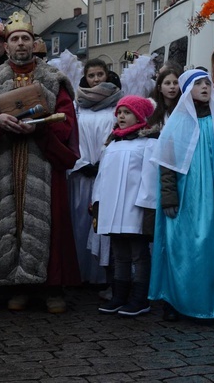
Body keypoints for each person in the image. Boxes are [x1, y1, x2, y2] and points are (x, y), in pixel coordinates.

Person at [0, 11, 81, 313]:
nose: (20, 44)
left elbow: (66, 120)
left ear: (34, 43)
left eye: (25, 39)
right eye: (14, 39)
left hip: (42, 160)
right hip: (3, 161)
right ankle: (19, 286)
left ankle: (52, 288)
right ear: (6, 47)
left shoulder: (55, 81)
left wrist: (42, 125)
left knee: (46, 222)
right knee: (8, 221)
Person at [149, 69, 214, 322]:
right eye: (198, 83)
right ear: (187, 89)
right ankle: (175, 300)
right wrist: (169, 196)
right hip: (186, 194)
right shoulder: (177, 122)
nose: (205, 87)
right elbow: (167, 164)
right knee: (181, 246)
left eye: (207, 83)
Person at [94, 95, 158, 317]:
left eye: (127, 112)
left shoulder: (148, 143)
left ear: (139, 116)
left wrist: (146, 209)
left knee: (138, 254)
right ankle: (119, 296)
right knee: (119, 253)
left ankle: (139, 298)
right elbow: (102, 178)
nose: (121, 116)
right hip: (112, 210)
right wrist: (97, 203)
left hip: (134, 209)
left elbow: (150, 180)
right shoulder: (112, 144)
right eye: (119, 112)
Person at [70, 58, 123, 286]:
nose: (96, 79)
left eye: (100, 74)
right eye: (91, 76)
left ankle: (103, 275)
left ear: (107, 75)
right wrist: (82, 163)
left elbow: (119, 133)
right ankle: (79, 271)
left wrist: (104, 161)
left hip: (106, 170)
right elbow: (71, 136)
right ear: (85, 78)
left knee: (102, 221)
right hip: (81, 171)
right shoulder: (77, 105)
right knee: (80, 219)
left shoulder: (117, 104)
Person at [147, 63, 182, 128]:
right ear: (159, 88)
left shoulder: (183, 110)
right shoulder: (151, 110)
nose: (172, 86)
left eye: (175, 83)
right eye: (167, 83)